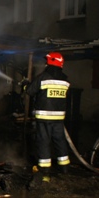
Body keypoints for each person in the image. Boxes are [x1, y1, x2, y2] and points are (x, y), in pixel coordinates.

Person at [25, 52, 71, 185]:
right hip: (59, 118)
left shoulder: (43, 77)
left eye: (47, 61)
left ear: (50, 62)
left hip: (44, 117)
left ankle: (44, 171)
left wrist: (26, 85)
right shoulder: (65, 79)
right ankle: (64, 168)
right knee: (60, 141)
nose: (45, 63)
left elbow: (30, 91)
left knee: (43, 141)